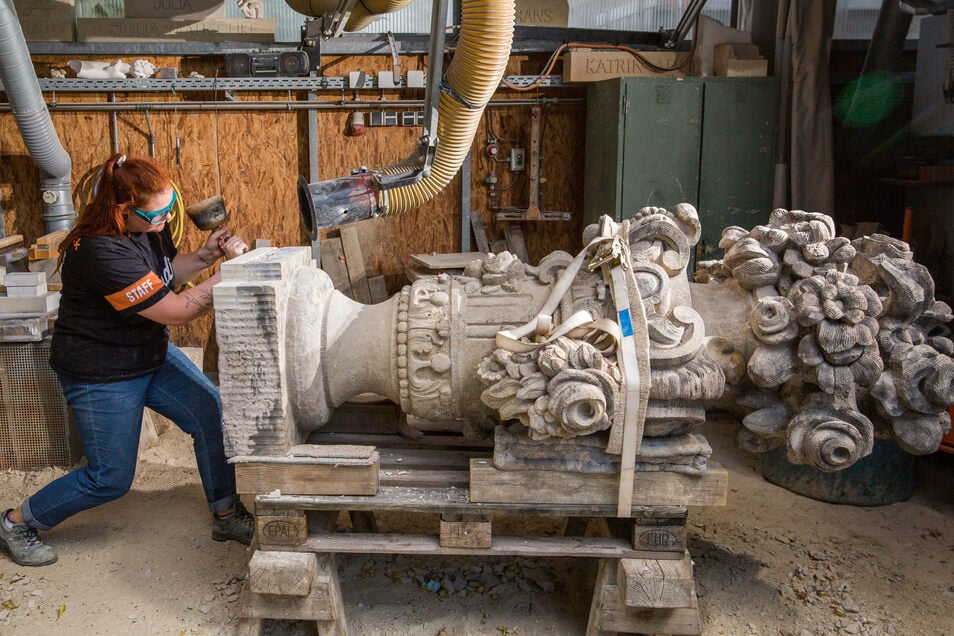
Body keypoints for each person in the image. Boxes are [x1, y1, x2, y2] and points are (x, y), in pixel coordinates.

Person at [0, 153, 254, 567]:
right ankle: (14, 522)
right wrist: (231, 276)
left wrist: (206, 256)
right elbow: (173, 308)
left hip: (147, 353)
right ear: (121, 209)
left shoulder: (147, 229)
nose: (165, 218)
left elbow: (162, 273)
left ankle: (226, 514)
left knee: (211, 412)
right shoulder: (100, 251)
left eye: (170, 208)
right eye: (156, 214)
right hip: (102, 371)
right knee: (109, 480)